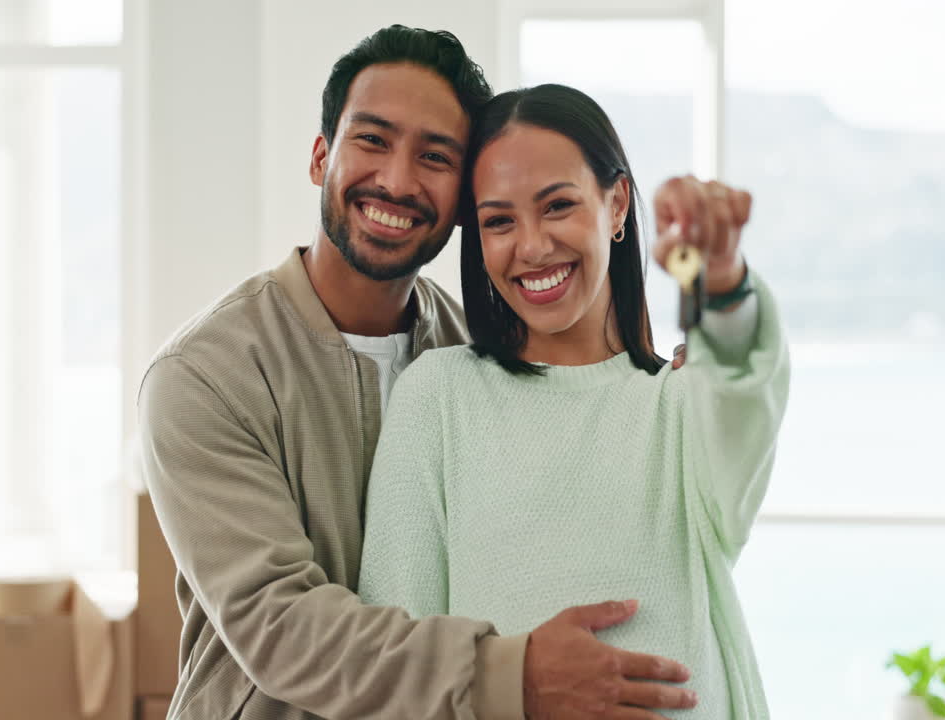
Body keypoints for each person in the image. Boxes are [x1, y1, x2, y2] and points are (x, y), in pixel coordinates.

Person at [140, 26, 702, 720]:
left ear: (466, 198)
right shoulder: (204, 376)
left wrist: (677, 387)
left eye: (435, 157)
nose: (398, 181)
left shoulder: (472, 356)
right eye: (372, 141)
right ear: (321, 157)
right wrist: (511, 675)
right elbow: (276, 624)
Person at [358, 84, 791, 720]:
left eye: (557, 206)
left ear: (616, 205)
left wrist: (720, 279)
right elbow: (396, 667)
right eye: (499, 221)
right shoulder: (439, 399)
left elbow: (742, 377)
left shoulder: (680, 405)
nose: (531, 247)